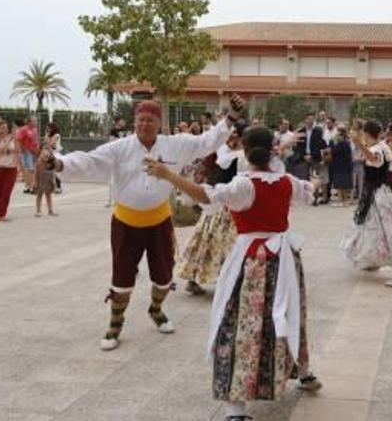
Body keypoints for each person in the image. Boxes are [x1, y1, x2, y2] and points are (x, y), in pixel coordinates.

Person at [145, 126, 323, 421]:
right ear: (272, 149)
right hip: (284, 259)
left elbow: (206, 195)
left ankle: (236, 407)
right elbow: (308, 191)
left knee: (241, 323)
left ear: (245, 148)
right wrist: (315, 181)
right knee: (289, 314)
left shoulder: (244, 185)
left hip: (254, 260)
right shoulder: (285, 180)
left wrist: (169, 176)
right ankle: (301, 371)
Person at [45, 96, 245, 351]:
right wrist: (59, 163)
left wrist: (231, 117)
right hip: (126, 222)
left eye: (150, 120)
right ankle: (115, 324)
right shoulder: (120, 147)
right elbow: (88, 161)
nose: (145, 124)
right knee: (122, 278)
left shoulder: (174, 145)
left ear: (159, 124)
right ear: (134, 122)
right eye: (140, 120)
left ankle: (156, 309)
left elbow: (206, 142)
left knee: (163, 276)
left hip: (159, 221)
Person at [341, 120, 392, 287]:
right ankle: (371, 260)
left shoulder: (377, 148)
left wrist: (359, 145)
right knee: (371, 229)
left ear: (367, 134)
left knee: (388, 230)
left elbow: (374, 159)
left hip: (378, 196)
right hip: (377, 193)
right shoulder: (382, 145)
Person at [176, 122, 247, 295]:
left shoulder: (245, 155)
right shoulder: (219, 151)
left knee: (225, 245)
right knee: (208, 242)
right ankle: (194, 278)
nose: (232, 137)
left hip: (233, 204)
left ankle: (229, 280)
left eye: (236, 134)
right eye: (230, 133)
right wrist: (202, 181)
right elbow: (202, 170)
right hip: (216, 203)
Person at [329, 126, 353, 207]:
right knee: (338, 182)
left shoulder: (346, 143)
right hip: (337, 165)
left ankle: (345, 200)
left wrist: (341, 143)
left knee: (345, 183)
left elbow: (348, 156)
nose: (337, 135)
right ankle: (339, 199)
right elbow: (333, 152)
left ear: (342, 135)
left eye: (339, 134)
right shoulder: (335, 142)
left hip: (345, 166)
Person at [16, 116, 39, 194]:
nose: (36, 122)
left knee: (32, 170)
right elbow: (19, 140)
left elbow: (36, 140)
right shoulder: (23, 129)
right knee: (30, 169)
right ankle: (31, 186)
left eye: (36, 121)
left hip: (34, 152)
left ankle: (28, 186)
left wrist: (37, 150)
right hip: (27, 151)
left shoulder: (35, 130)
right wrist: (21, 151)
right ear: (29, 122)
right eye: (34, 121)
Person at [34, 145, 57, 217]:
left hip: (48, 182)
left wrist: (54, 182)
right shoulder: (39, 163)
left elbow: (53, 174)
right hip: (40, 181)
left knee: (48, 195)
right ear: (41, 154)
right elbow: (36, 174)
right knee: (39, 195)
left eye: (48, 155)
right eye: (44, 155)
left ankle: (50, 210)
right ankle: (38, 210)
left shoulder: (52, 163)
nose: (45, 157)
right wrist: (35, 183)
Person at [45, 123, 64, 194]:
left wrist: (47, 137)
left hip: (56, 154)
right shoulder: (48, 135)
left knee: (53, 171)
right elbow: (46, 143)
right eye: (47, 128)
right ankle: (54, 186)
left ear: (53, 128)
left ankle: (58, 186)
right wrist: (47, 135)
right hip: (50, 154)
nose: (47, 129)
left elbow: (51, 144)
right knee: (49, 170)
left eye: (49, 128)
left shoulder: (57, 135)